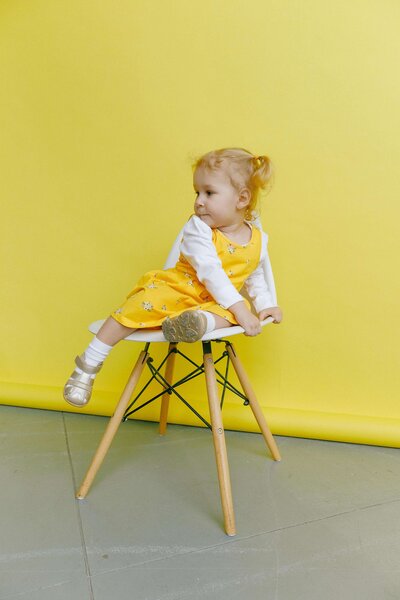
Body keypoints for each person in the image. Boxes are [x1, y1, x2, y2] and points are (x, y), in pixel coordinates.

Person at [63, 147, 283, 408]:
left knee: (236, 310)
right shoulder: (198, 229)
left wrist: (265, 304)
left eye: (209, 193)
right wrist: (240, 309)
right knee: (137, 308)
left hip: (217, 304)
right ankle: (88, 364)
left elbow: (254, 274)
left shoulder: (258, 238)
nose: (199, 201)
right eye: (197, 193)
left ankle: (194, 322)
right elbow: (211, 272)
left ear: (242, 199)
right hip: (180, 291)